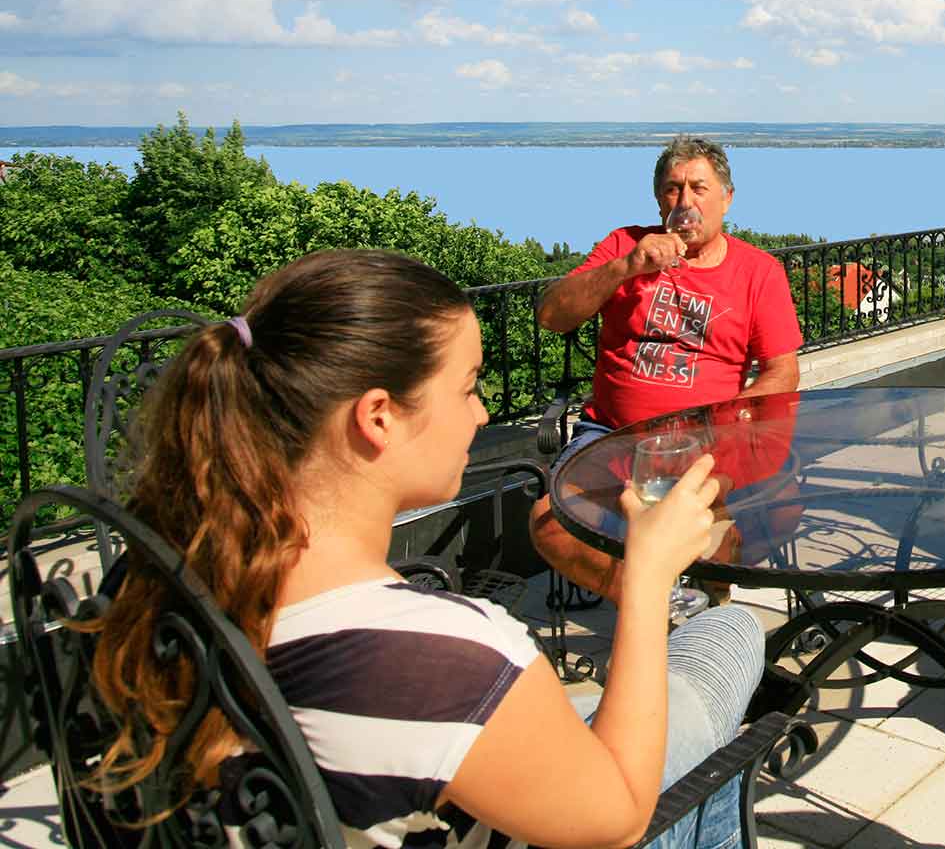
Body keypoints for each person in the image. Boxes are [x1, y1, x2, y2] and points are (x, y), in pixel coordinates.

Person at [91, 249, 765, 849]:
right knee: (731, 649)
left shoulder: (163, 576)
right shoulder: (442, 661)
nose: (480, 414)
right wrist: (646, 577)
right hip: (542, 800)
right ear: (378, 416)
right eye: (468, 387)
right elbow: (616, 819)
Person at [532, 135, 803, 601]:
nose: (686, 201)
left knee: (728, 536)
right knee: (549, 524)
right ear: (659, 200)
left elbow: (783, 372)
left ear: (726, 198)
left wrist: (727, 426)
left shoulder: (757, 272)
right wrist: (626, 267)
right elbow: (551, 315)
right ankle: (654, 608)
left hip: (707, 443)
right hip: (615, 436)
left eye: (699, 188)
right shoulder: (625, 245)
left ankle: (711, 622)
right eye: (673, 189)